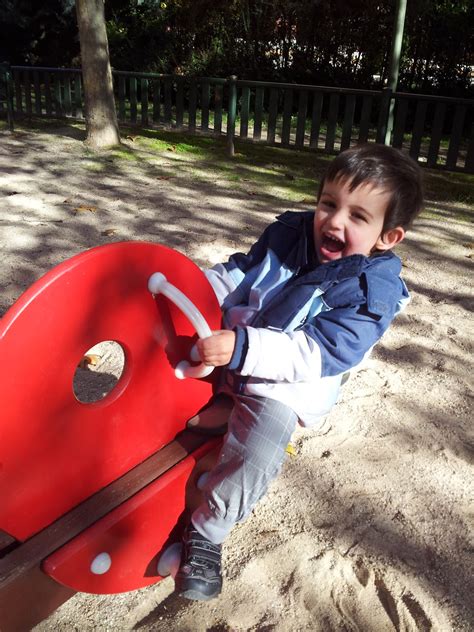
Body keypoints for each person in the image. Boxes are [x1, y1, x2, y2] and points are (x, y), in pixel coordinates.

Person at [174, 143, 424, 601]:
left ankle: (209, 531)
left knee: (263, 445)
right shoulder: (291, 232)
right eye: (329, 204)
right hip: (232, 346)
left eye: (357, 216)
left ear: (388, 237)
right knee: (169, 353)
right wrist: (193, 287)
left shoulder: (371, 292)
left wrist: (242, 349)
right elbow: (242, 273)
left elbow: (317, 352)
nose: (334, 221)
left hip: (283, 381)